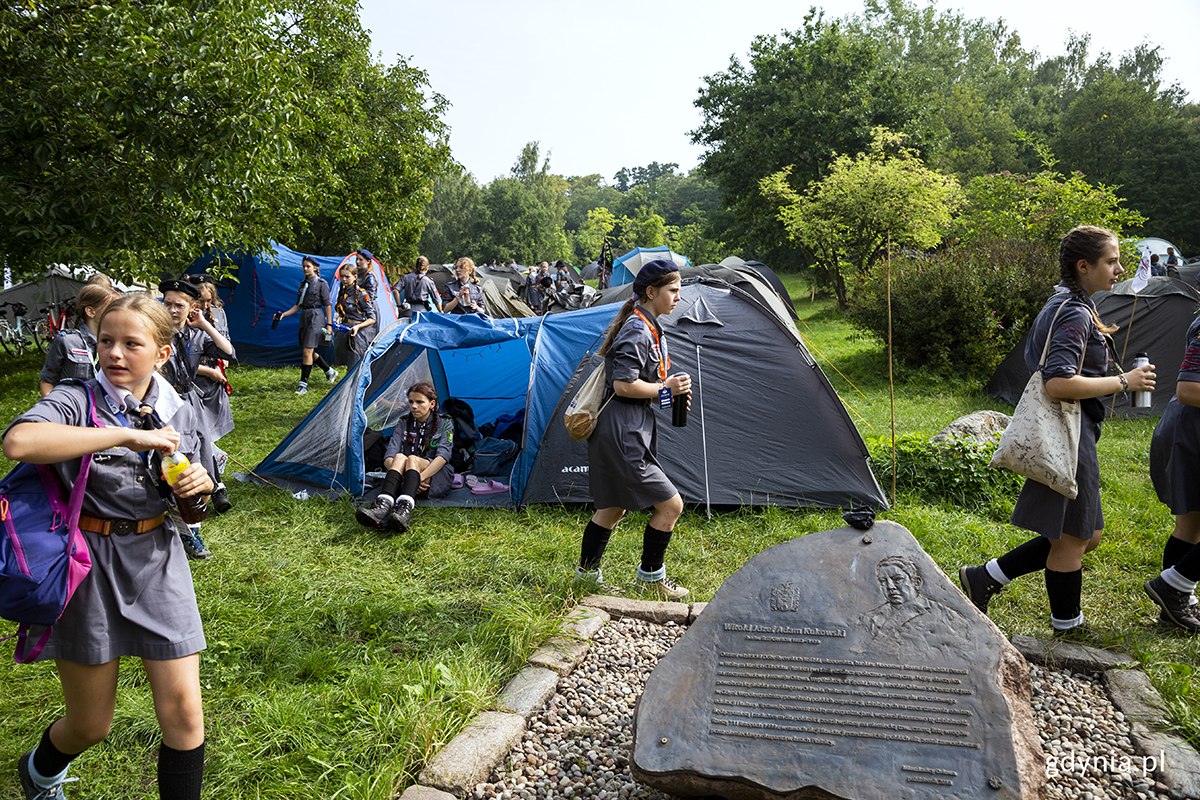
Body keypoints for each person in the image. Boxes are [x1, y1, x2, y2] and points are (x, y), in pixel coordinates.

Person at [3, 292, 212, 800]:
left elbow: (198, 504)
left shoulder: (181, 410)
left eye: (131, 344)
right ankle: (39, 772)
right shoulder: (77, 399)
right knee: (90, 724)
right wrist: (123, 436)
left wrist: (198, 488)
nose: (115, 353)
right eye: (106, 342)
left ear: (162, 353)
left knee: (185, 714)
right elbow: (19, 443)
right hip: (86, 565)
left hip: (157, 560)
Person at [959, 225, 1156, 639]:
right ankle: (1068, 628)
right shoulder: (1073, 312)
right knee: (1072, 540)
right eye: (1111, 261)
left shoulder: (1066, 301)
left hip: (1076, 430)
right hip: (1068, 433)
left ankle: (986, 576)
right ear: (1084, 266)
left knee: (1089, 535)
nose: (1119, 269)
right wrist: (1126, 382)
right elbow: (1058, 383)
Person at [576, 259, 692, 599]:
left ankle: (585, 578)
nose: (678, 297)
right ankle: (651, 578)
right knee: (671, 506)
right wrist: (665, 388)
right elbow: (623, 385)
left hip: (627, 427)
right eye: (673, 290)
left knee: (613, 507)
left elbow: (640, 387)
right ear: (651, 292)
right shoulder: (638, 330)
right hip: (622, 432)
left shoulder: (648, 326)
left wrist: (668, 394)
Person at [159, 279, 234, 559]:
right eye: (167, 303)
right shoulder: (154, 332)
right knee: (170, 466)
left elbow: (228, 352)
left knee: (200, 465)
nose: (172, 310)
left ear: (191, 307)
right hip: (161, 403)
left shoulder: (196, 335)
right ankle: (180, 532)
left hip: (190, 403)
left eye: (179, 305)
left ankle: (192, 530)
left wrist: (203, 324)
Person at [1146, 310, 1200, 632]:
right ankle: (1174, 586)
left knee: (1191, 526)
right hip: (1190, 434)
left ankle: (1174, 606)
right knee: (1190, 525)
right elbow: (1188, 389)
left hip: (1189, 431)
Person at [354, 382, 455, 533]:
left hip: (433, 475)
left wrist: (417, 479)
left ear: (432, 404)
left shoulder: (445, 422)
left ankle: (404, 510)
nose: (414, 406)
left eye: (420, 402)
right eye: (411, 401)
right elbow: (389, 457)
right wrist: (405, 478)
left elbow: (442, 457)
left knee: (412, 459)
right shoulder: (403, 422)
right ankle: (382, 507)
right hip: (406, 476)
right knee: (400, 457)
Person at [186, 274, 235, 515]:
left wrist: (221, 365)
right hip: (195, 382)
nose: (205, 305)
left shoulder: (218, 313)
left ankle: (212, 474)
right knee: (201, 436)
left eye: (209, 300)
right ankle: (215, 487)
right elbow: (183, 361)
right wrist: (208, 371)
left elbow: (226, 343)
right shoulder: (185, 321)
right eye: (201, 300)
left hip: (215, 382)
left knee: (210, 434)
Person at [39, 283, 120, 396]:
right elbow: (47, 381)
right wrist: (54, 406)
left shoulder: (116, 344)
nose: (118, 314)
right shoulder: (66, 341)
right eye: (110, 309)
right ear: (90, 311)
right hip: (73, 404)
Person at [277, 256, 335, 395]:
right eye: (303, 266)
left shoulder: (321, 283)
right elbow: (298, 305)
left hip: (316, 317)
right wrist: (283, 315)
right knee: (308, 351)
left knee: (307, 351)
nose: (305, 268)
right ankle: (329, 371)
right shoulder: (303, 284)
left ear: (315, 268)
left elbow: (327, 305)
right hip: (305, 317)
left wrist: (329, 324)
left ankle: (303, 385)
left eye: (308, 266)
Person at [333, 262, 376, 370]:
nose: (344, 279)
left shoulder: (362, 294)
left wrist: (358, 327)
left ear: (355, 277)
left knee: (355, 366)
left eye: (347, 276)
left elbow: (372, 318)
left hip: (357, 333)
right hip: (343, 331)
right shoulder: (342, 292)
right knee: (342, 364)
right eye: (342, 276)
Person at [353, 249, 381, 344]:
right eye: (357, 259)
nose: (357, 262)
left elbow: (370, 297)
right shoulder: (356, 273)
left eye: (361, 260)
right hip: (358, 309)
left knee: (367, 340)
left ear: (368, 261)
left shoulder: (370, 277)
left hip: (368, 309)